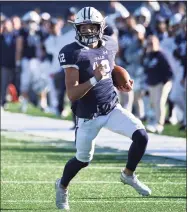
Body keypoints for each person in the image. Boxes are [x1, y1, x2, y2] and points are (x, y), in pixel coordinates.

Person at [55, 7, 151, 210]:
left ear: (101, 28)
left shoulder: (109, 44)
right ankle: (62, 186)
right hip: (88, 116)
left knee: (141, 135)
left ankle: (128, 174)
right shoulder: (71, 52)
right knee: (82, 160)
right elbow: (72, 94)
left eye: (92, 27)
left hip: (111, 107)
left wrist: (121, 78)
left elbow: (110, 64)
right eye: (84, 27)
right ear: (77, 28)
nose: (89, 31)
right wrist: (95, 78)